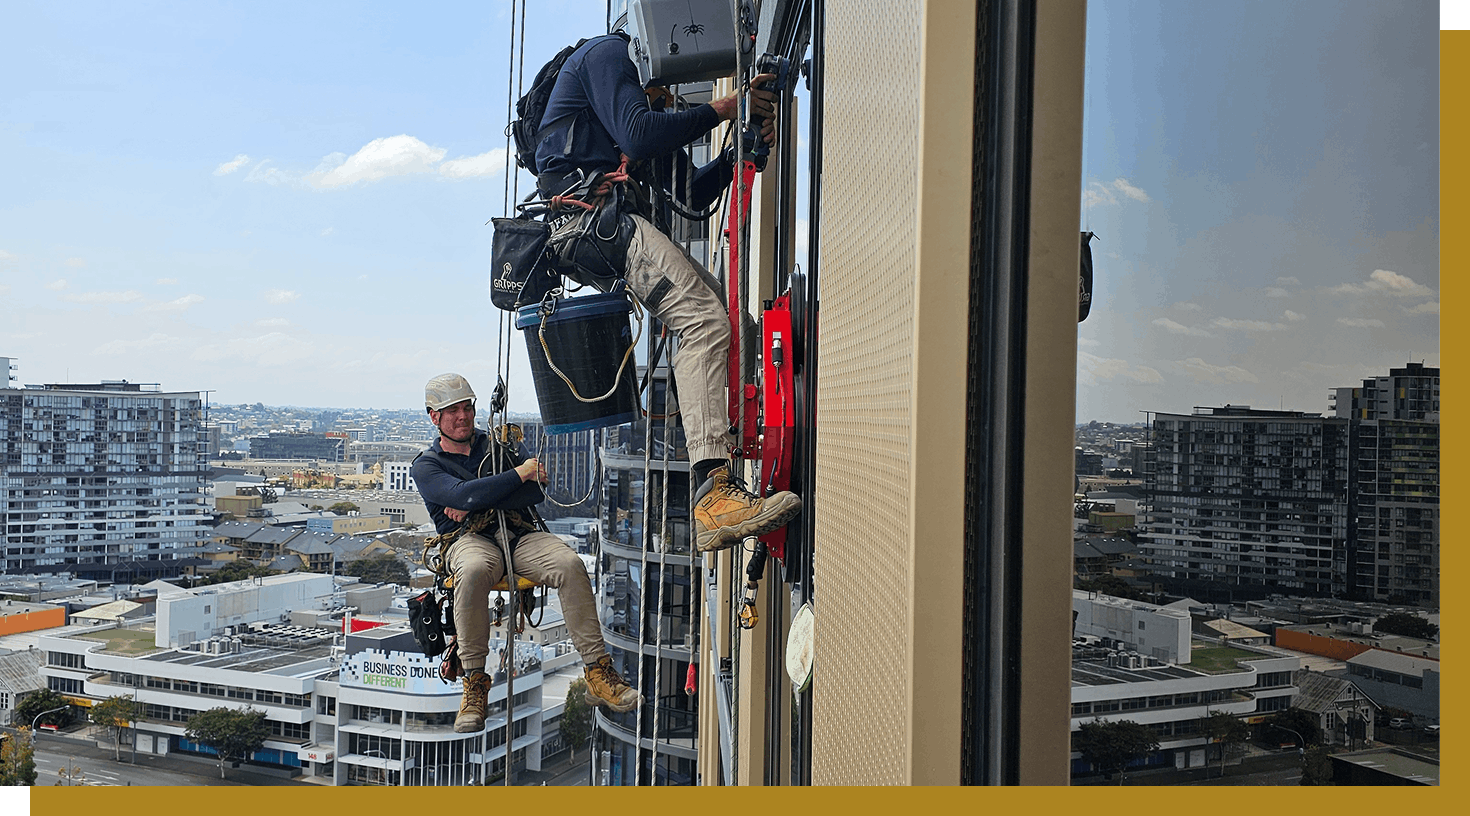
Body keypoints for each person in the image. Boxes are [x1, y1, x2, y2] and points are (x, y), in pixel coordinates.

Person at [534, 32, 801, 552]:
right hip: (597, 225)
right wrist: (728, 106)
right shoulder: (607, 57)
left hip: (611, 224)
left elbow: (691, 192)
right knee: (702, 323)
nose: (669, 104)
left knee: (730, 324)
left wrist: (738, 154)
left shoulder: (634, 109)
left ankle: (735, 449)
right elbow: (639, 134)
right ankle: (713, 492)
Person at [412, 373, 639, 733]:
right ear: (433, 416)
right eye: (451, 410)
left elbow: (532, 493)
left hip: (519, 535)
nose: (463, 416)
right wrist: (513, 477)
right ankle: (474, 681)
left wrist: (475, 495)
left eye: (466, 408)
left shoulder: (496, 447)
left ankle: (597, 670)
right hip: (469, 541)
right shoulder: (426, 466)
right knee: (471, 571)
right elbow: (465, 498)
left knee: (569, 563)